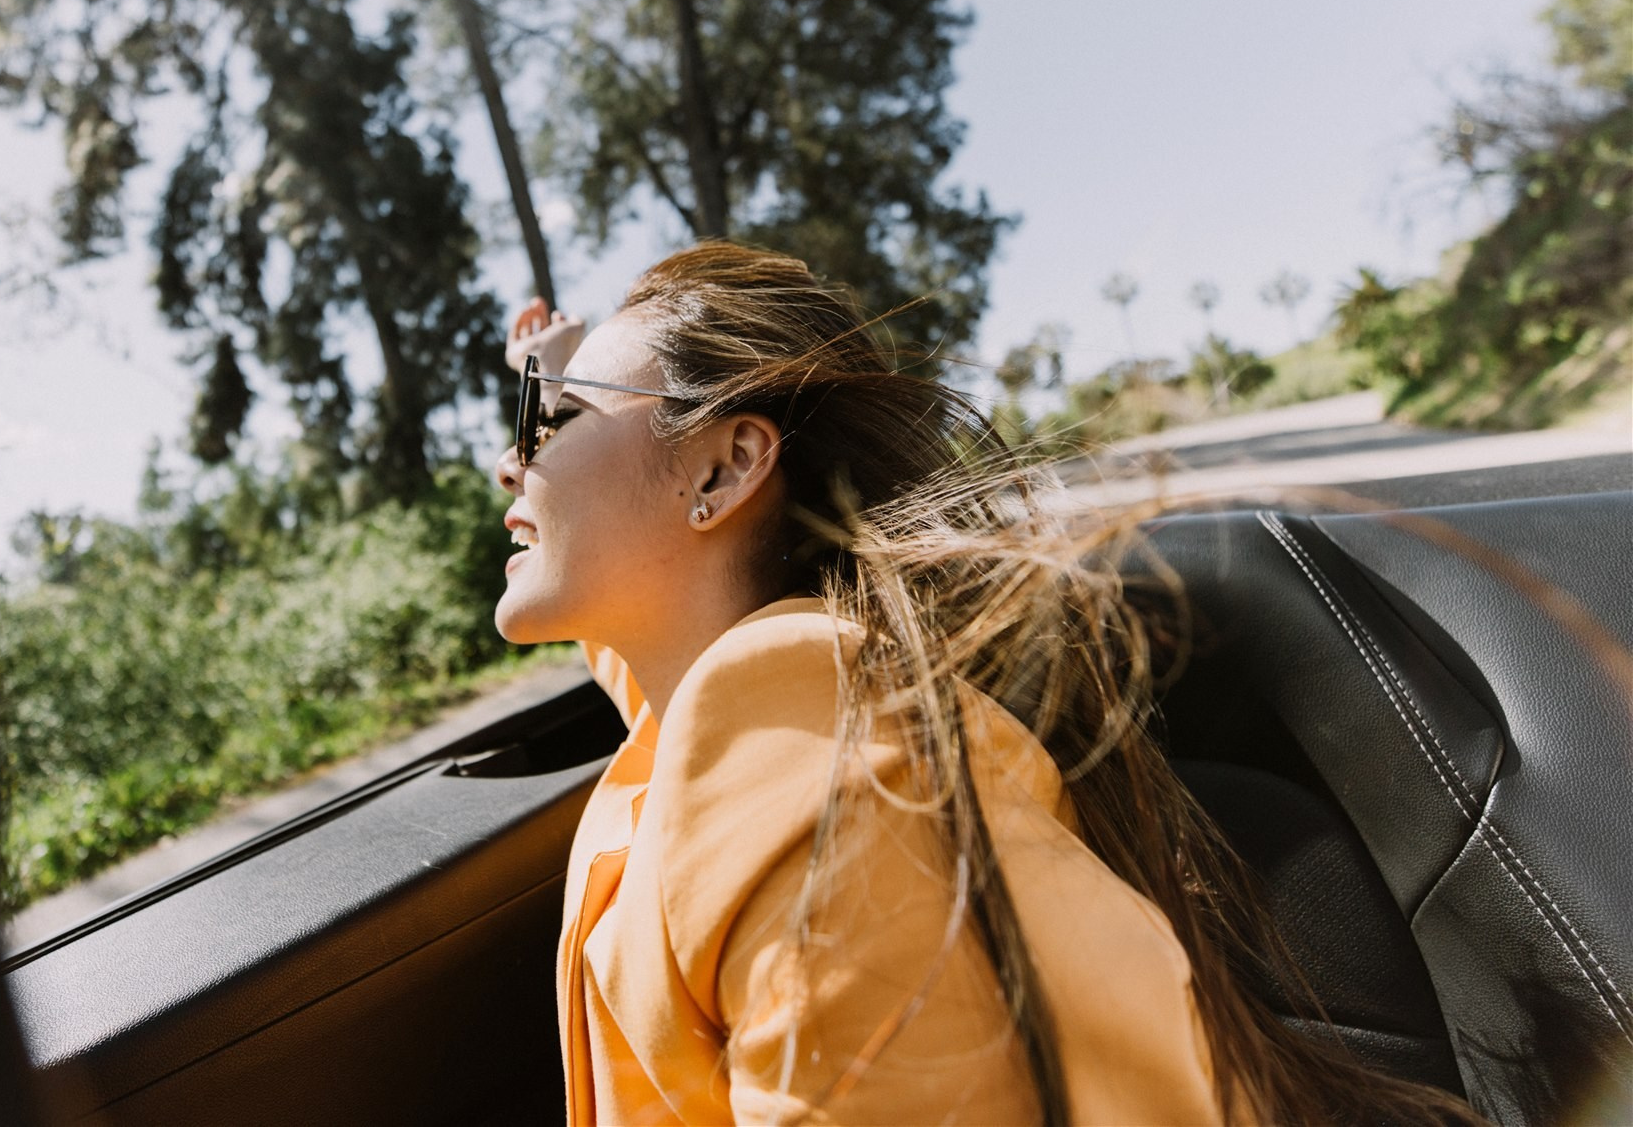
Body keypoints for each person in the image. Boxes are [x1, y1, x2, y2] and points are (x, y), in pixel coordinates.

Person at [492, 242, 1475, 1125]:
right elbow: (637, 654)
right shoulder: (708, 710)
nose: (507, 461)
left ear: (722, 469)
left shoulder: (794, 725)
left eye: (546, 422)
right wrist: (548, 374)